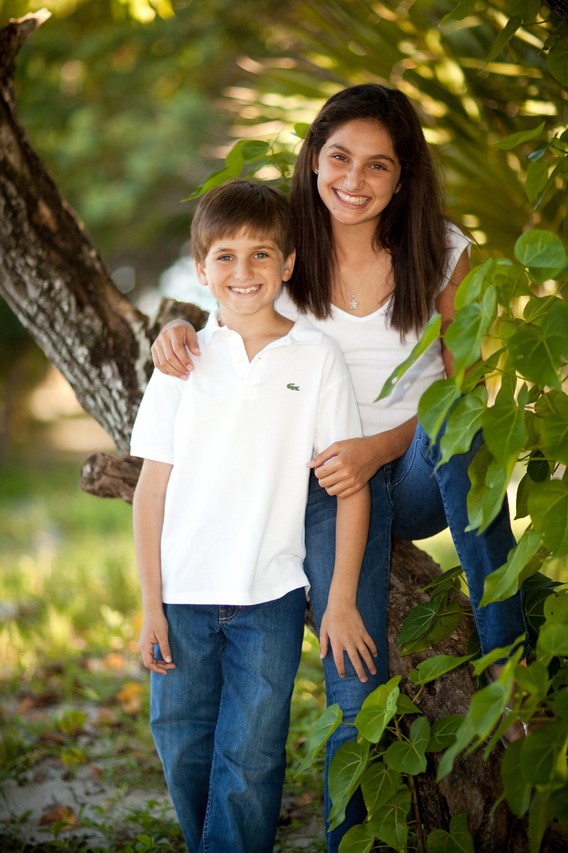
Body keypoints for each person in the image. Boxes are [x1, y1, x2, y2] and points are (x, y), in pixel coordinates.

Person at [150, 84, 529, 851]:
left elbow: (462, 393)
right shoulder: (287, 247)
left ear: (403, 174)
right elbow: (231, 313)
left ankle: (506, 653)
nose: (354, 180)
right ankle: (347, 837)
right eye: (339, 158)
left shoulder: (441, 250)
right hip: (322, 485)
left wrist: (380, 446)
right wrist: (176, 328)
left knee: (463, 429)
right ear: (314, 159)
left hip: (415, 466)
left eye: (378, 165)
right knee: (354, 678)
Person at [130, 178, 375, 853]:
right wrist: (150, 605)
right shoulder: (181, 361)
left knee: (250, 760)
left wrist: (340, 599)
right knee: (181, 743)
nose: (244, 271)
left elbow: (350, 486)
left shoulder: (316, 358)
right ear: (202, 268)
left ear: (288, 264)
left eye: (261, 254)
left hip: (270, 598)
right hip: (181, 596)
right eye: (226, 256)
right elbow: (150, 492)